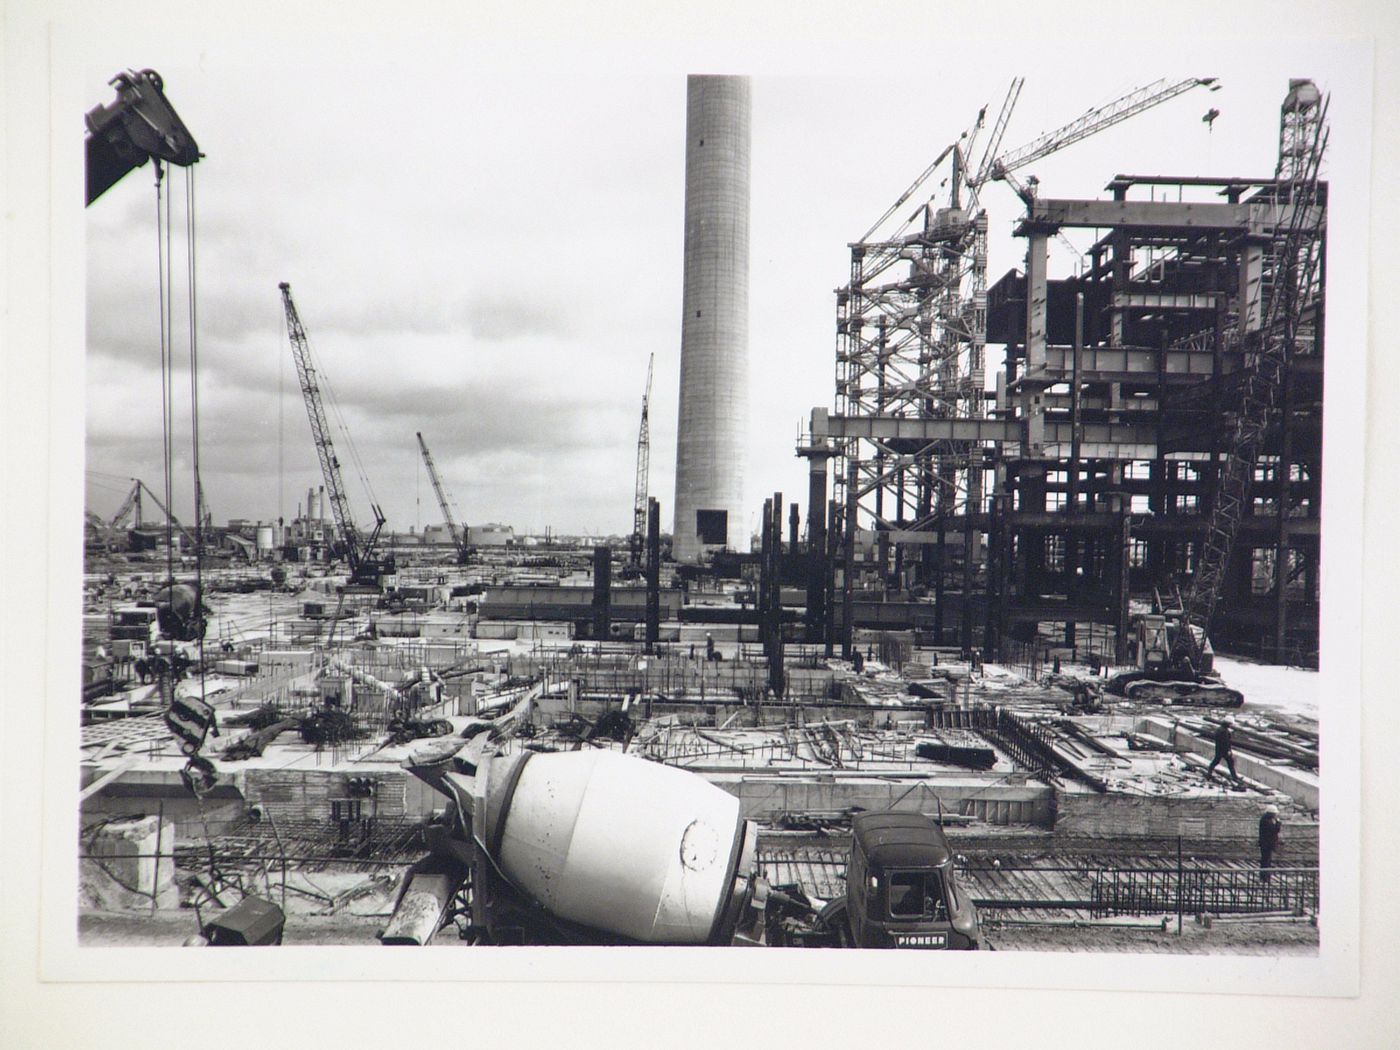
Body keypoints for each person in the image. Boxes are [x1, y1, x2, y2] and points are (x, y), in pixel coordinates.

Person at [1205, 716, 1239, 784]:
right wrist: (1228, 751)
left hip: (1218, 749)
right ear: (1228, 723)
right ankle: (1234, 777)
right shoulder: (1225, 731)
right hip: (1224, 750)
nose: (1231, 725)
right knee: (1230, 763)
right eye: (1230, 724)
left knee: (1215, 762)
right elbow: (1226, 742)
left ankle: (1208, 774)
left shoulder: (1219, 729)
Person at [1259, 805, 1283, 883]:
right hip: (1267, 844)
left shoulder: (1266, 819)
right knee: (1266, 860)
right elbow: (1274, 830)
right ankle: (1265, 877)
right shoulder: (1267, 821)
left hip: (1266, 843)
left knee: (1266, 860)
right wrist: (1278, 823)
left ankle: (1265, 876)